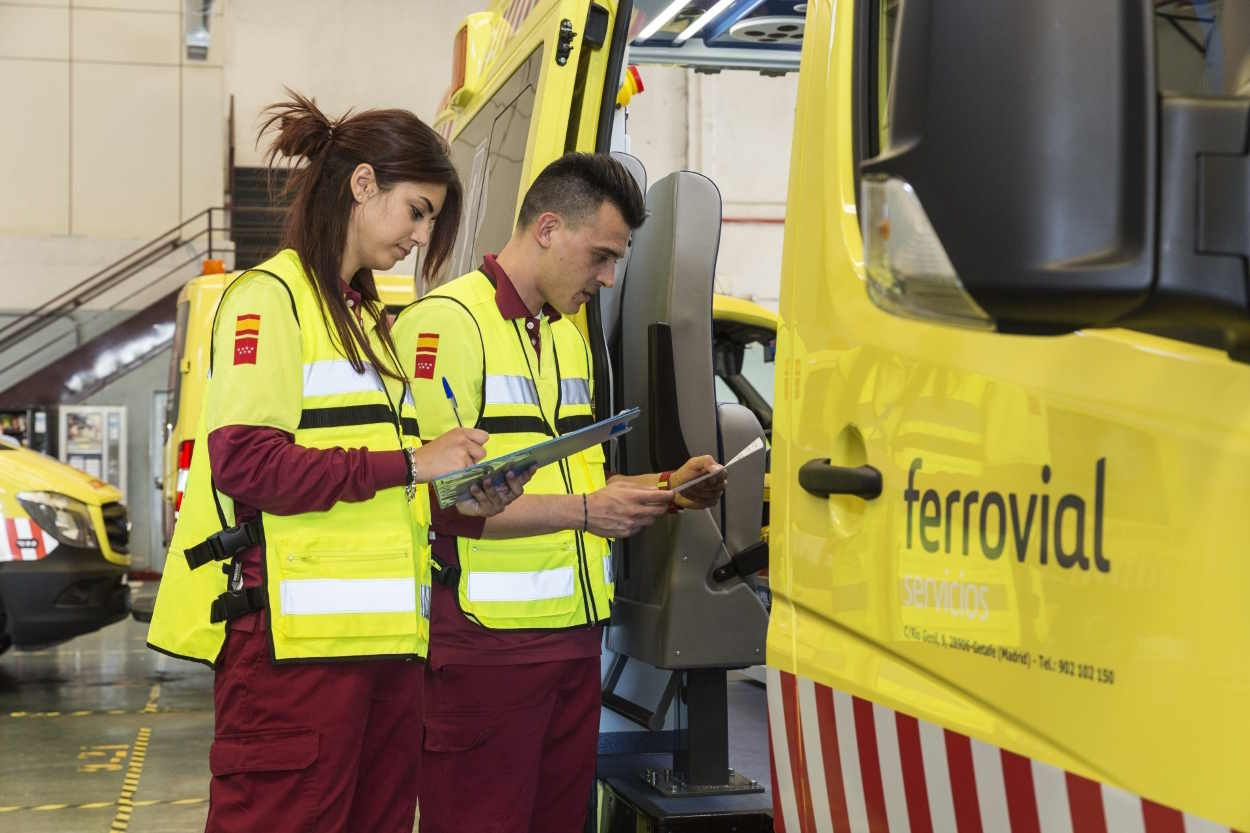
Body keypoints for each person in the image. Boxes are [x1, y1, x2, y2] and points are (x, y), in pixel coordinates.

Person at [146, 91, 530, 833]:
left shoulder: (368, 325)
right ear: (362, 185)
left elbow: (381, 490)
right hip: (295, 660)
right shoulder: (270, 301)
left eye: (430, 219)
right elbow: (250, 466)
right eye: (417, 210)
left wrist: (457, 496)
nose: (421, 235)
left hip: (385, 659)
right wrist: (413, 464)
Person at [392, 152, 728, 833]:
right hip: (484, 650)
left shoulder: (566, 338)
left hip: (574, 648)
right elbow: (432, 501)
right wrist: (585, 511)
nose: (607, 278)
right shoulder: (444, 327)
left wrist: (668, 489)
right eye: (600, 256)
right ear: (548, 227)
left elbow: (578, 481)